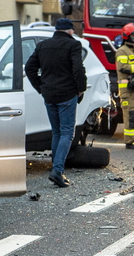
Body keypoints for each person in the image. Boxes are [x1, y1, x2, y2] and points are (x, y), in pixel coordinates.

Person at [24, 17, 87, 188]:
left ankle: (56, 168)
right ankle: (57, 171)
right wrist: (81, 88)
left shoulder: (43, 45)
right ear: (69, 30)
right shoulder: (73, 45)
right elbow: (78, 68)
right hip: (67, 94)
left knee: (57, 132)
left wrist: (41, 87)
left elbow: (29, 68)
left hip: (49, 95)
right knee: (67, 133)